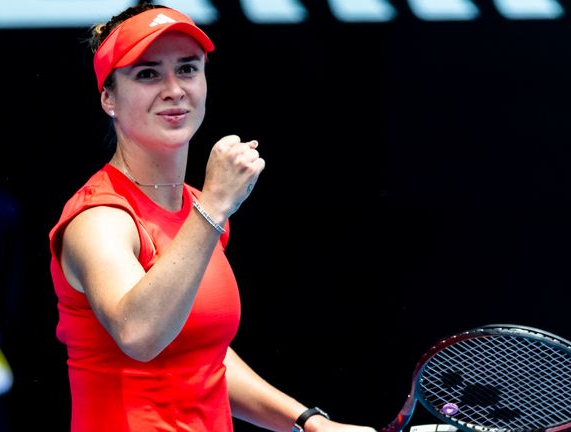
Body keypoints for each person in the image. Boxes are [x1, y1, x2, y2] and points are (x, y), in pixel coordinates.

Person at [48, 4, 376, 431]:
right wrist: (215, 207)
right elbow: (140, 335)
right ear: (108, 97)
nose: (174, 89)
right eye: (148, 74)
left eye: (187, 69)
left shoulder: (198, 211)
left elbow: (205, 355)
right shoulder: (100, 218)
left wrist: (308, 422)